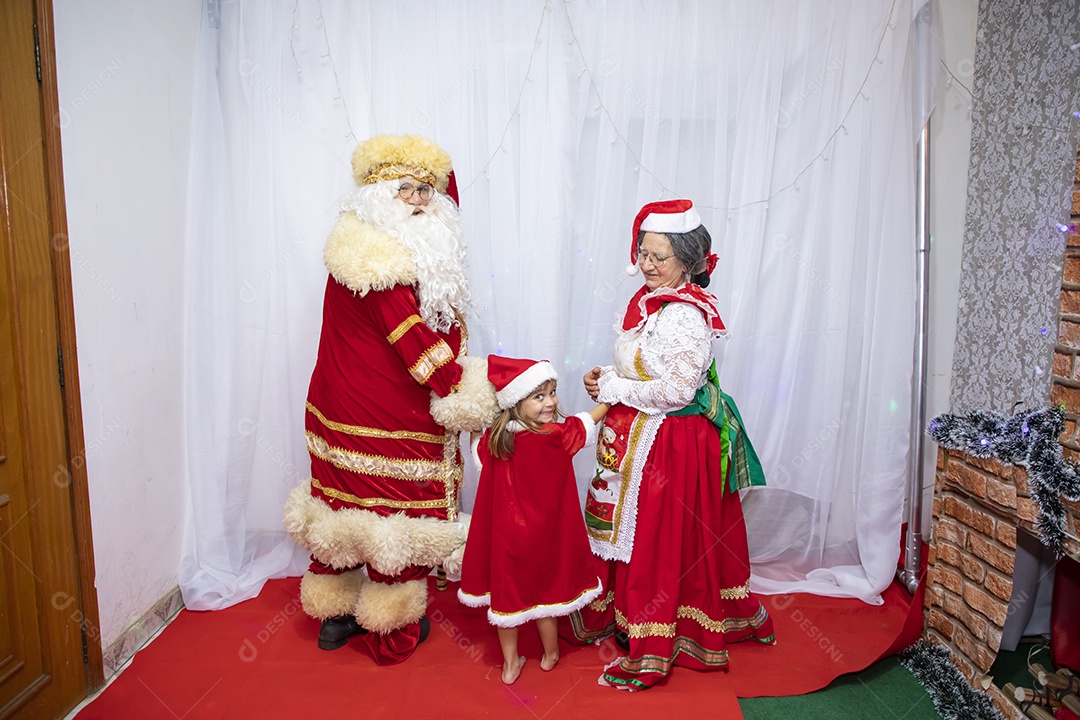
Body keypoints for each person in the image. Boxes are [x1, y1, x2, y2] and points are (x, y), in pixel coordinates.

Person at [283, 134, 497, 666]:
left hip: (339, 404)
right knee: (394, 516)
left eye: (428, 189)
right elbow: (412, 340)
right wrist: (458, 385)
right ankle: (392, 620)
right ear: (379, 192)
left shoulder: (365, 242)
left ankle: (335, 616)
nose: (421, 199)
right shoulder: (378, 258)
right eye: (407, 189)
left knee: (343, 504)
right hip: (385, 410)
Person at [574, 199, 775, 691]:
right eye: (642, 252)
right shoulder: (650, 306)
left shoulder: (685, 315)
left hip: (672, 444)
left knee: (658, 541)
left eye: (657, 257)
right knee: (637, 535)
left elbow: (676, 391)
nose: (645, 264)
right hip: (642, 439)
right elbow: (642, 369)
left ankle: (659, 636)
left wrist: (616, 391)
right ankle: (628, 619)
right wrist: (605, 377)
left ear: (686, 261)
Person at [459, 356, 608, 685]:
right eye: (539, 396)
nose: (551, 402)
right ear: (516, 402)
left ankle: (511, 665)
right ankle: (550, 655)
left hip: (507, 538)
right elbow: (585, 422)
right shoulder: (553, 436)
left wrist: (473, 426)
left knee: (507, 603)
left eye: (552, 393)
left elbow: (477, 454)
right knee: (546, 599)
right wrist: (610, 399)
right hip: (543, 538)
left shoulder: (497, 440)